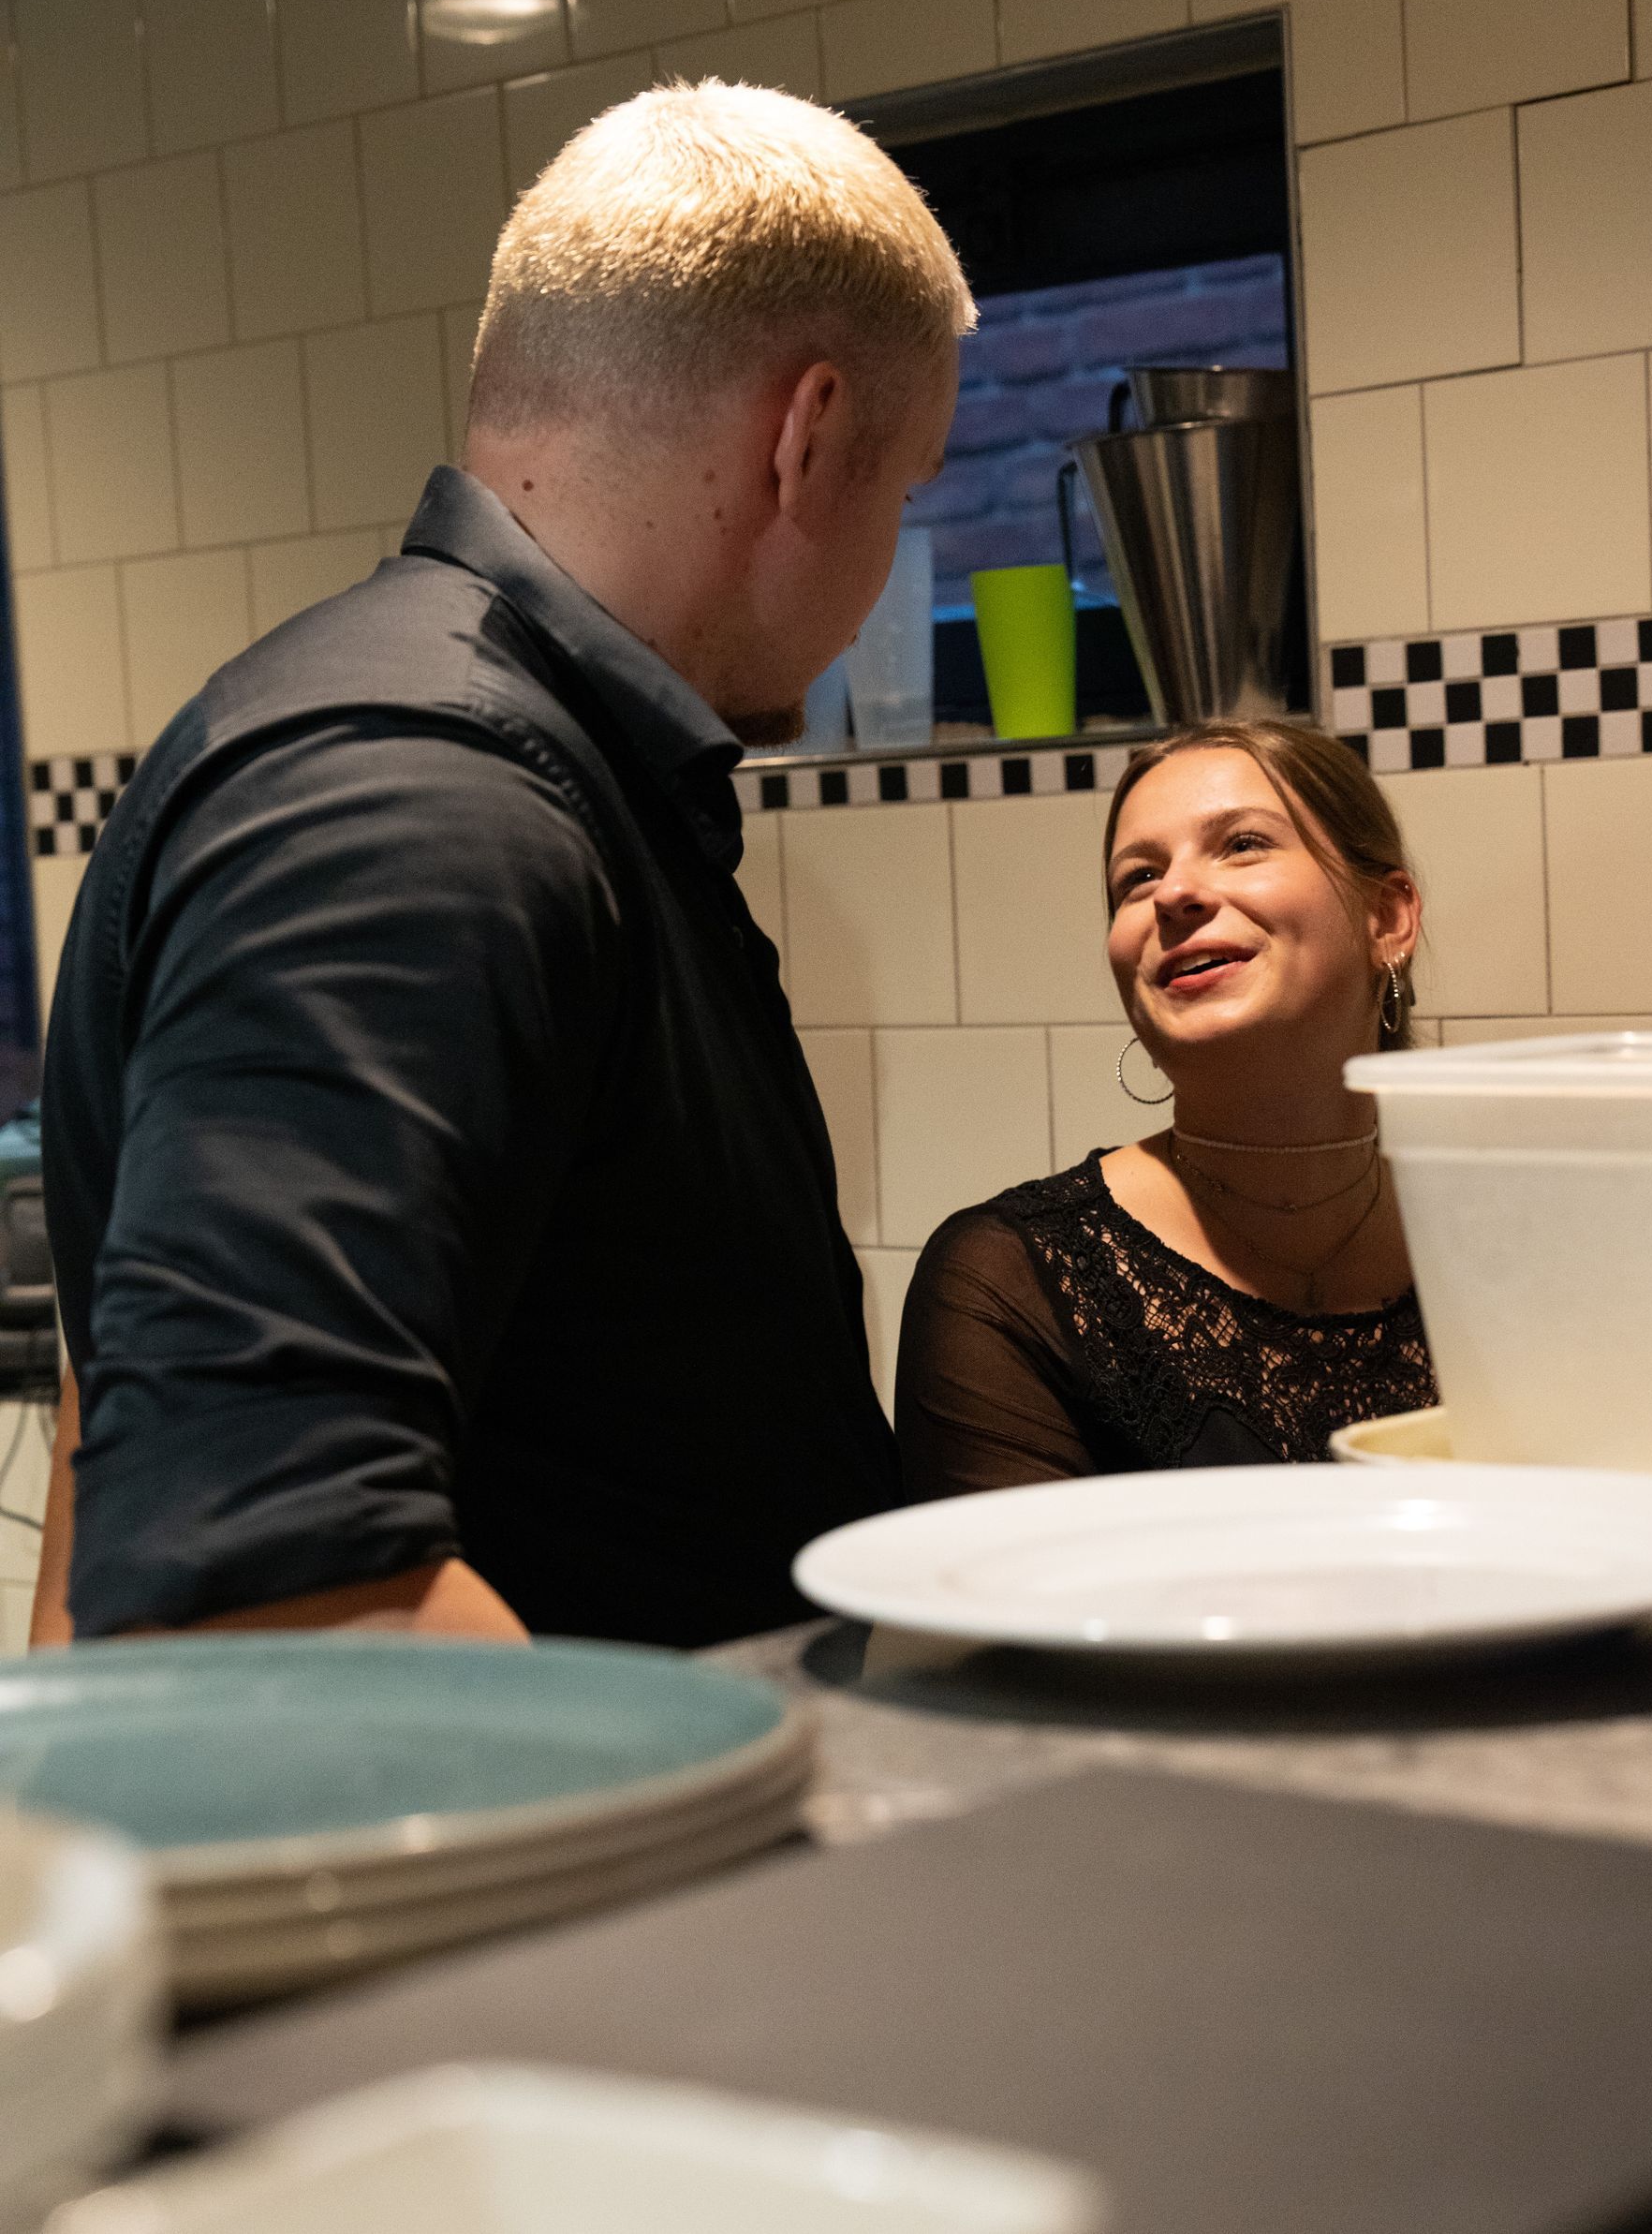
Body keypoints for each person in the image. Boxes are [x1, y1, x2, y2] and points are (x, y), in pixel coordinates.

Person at [35, 80, 971, 1646]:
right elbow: (264, 1575)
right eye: (910, 487)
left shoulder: (530, 770)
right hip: (594, 1889)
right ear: (808, 439)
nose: (887, 564)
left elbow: (133, 1403)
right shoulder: (431, 796)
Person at [894, 720, 1438, 1498]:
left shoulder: (1501, 1242)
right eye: (1137, 878)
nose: (1175, 894)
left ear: (1387, 918)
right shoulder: (1013, 1283)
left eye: (1244, 843)